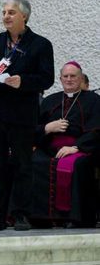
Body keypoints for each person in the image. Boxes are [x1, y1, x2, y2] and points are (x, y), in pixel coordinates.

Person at [0, 0, 54, 231]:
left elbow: (47, 78)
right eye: (4, 12)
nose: (6, 16)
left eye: (11, 12)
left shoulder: (40, 44)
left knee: (23, 166)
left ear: (24, 16)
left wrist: (22, 81)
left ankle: (21, 215)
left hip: (21, 115)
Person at [31, 62, 100, 228]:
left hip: (81, 148)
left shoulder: (94, 100)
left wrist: (76, 147)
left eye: (73, 76)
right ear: (60, 79)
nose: (69, 79)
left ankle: (74, 218)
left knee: (76, 165)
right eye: (66, 76)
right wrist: (48, 128)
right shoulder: (49, 101)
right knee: (35, 162)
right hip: (50, 148)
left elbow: (97, 128)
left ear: (81, 78)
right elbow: (33, 129)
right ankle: (41, 217)